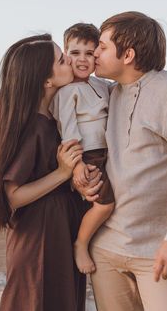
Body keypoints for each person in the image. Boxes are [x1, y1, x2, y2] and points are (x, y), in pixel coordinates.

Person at [75, 11, 167, 311]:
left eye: (101, 46)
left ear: (127, 54)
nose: (94, 53)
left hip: (158, 249)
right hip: (106, 248)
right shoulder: (108, 94)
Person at [0, 34, 92, 311]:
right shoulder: (32, 127)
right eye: (62, 59)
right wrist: (63, 172)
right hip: (39, 236)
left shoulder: (52, 120)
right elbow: (14, 196)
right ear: (46, 80)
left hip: (58, 228)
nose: (71, 61)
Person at [49, 23, 115, 274]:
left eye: (89, 53)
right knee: (104, 204)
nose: (82, 59)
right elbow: (68, 130)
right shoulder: (67, 92)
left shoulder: (100, 85)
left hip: (106, 153)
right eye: (75, 53)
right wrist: (76, 165)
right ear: (65, 53)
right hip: (87, 156)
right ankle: (81, 244)